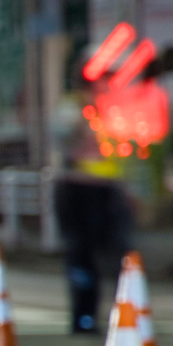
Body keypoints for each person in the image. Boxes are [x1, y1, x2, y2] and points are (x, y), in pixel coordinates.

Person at [51, 142, 134, 334]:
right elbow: (66, 218)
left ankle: (118, 318)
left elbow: (119, 216)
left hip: (101, 239)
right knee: (84, 278)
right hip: (82, 242)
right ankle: (84, 320)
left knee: (112, 277)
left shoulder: (107, 185)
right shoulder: (71, 185)